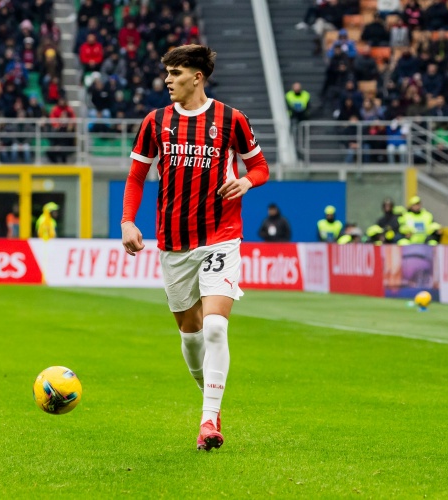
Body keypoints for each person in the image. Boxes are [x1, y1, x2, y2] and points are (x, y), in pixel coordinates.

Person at [121, 45, 269, 451]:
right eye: (167, 72)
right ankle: (211, 401)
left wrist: (246, 182)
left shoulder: (231, 119)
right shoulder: (155, 122)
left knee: (217, 327)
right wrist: (128, 221)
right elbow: (136, 177)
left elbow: (259, 167)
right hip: (174, 244)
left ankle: (208, 420)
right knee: (191, 337)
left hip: (221, 235)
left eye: (176, 72)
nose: (168, 80)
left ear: (197, 77)